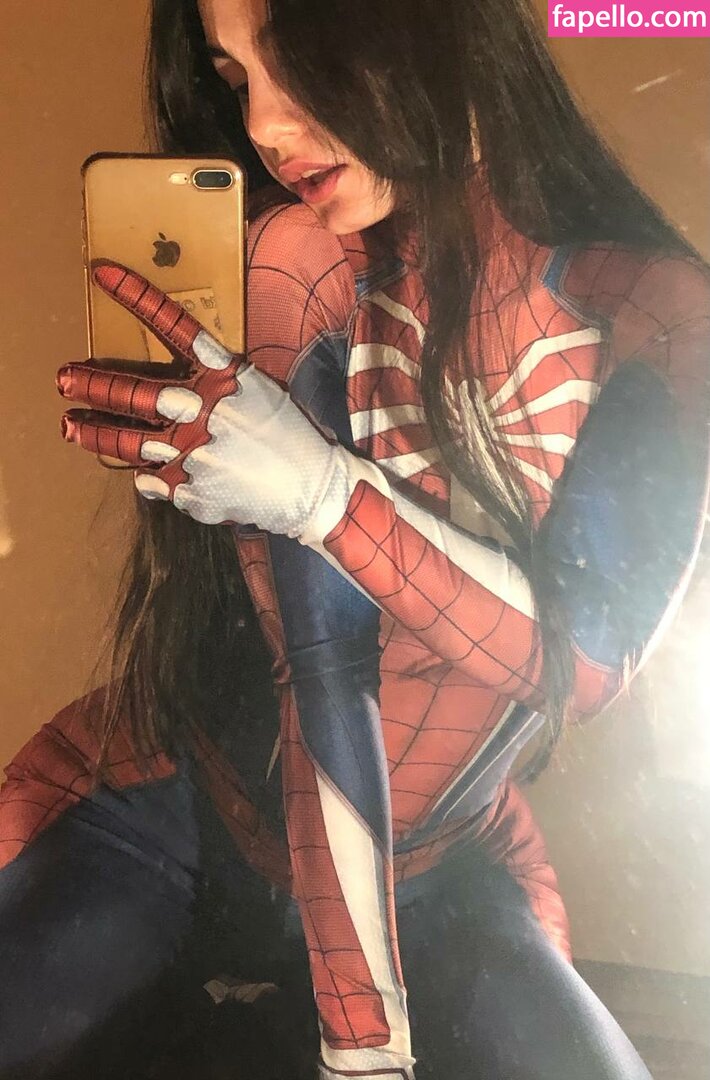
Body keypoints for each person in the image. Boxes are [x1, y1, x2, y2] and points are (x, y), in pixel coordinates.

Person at [1, 0, 708, 1076]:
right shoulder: (298, 262)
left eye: (294, 50)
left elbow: (587, 660)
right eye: (234, 78)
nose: (264, 126)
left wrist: (324, 494)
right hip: (184, 812)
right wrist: (363, 1048)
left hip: (436, 866)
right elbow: (323, 669)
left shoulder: (658, 310)